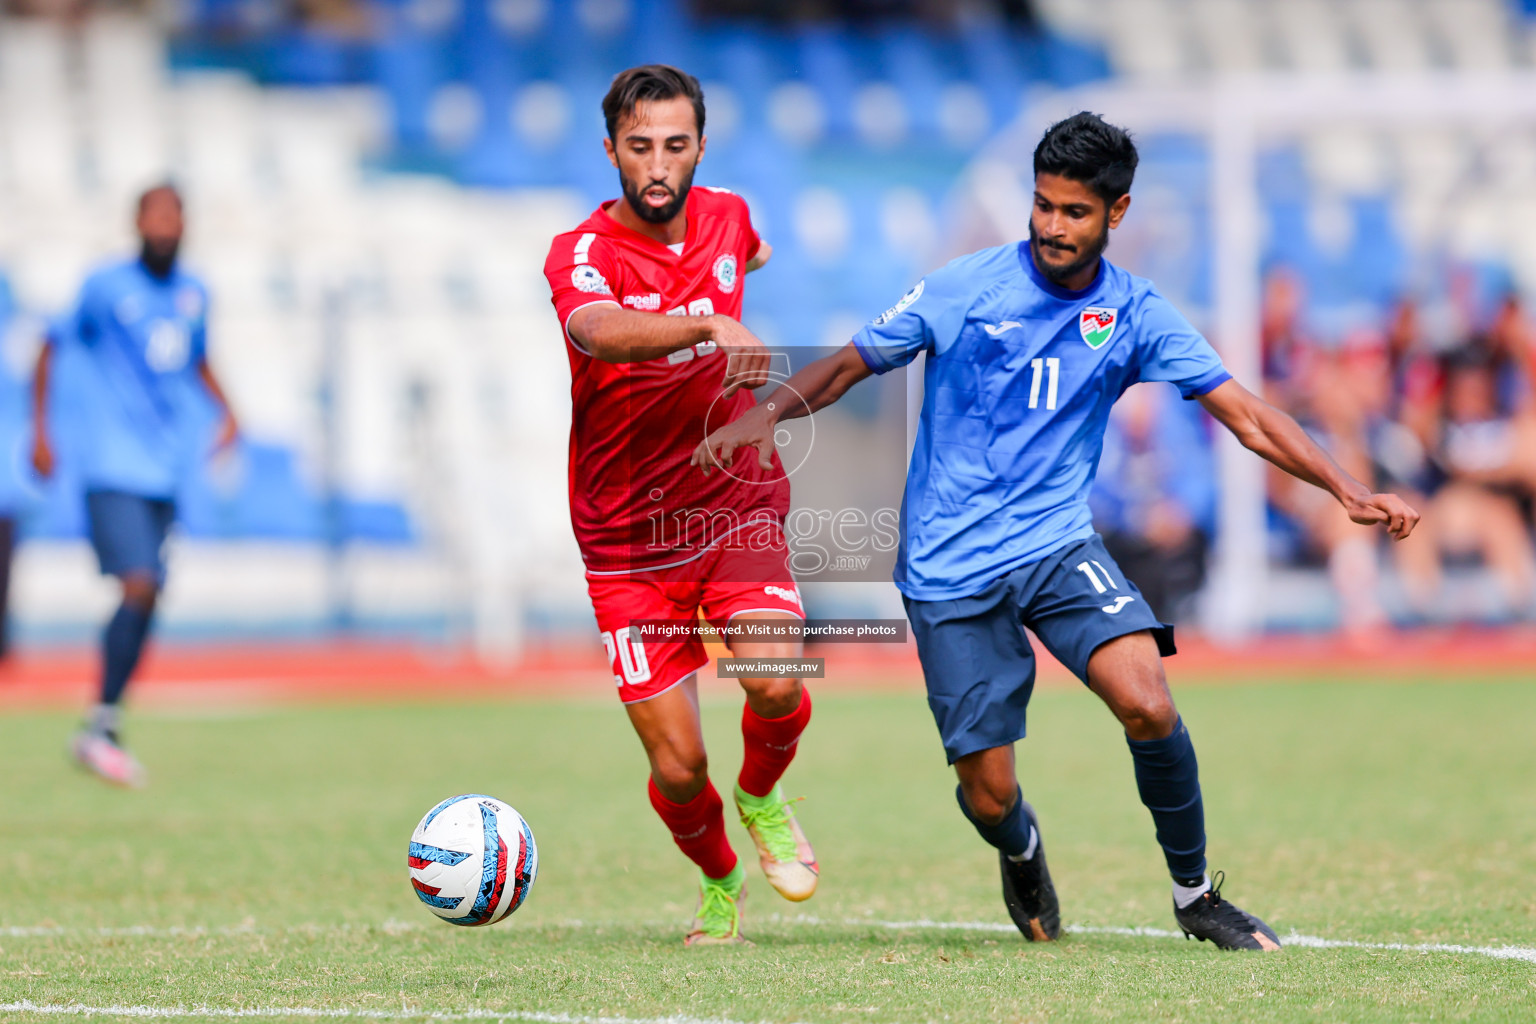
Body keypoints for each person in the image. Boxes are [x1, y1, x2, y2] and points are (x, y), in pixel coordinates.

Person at [694, 112, 1420, 951]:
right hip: (948, 571)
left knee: (1147, 700)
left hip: (1056, 548)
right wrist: (769, 414)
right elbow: (852, 361)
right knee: (990, 795)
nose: (1051, 226)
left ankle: (1195, 898)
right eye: (1042, 206)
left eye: (1074, 212)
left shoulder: (1137, 312)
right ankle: (1022, 848)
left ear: (1117, 214)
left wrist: (1346, 487)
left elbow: (1247, 415)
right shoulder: (964, 288)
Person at [541, 65, 816, 947]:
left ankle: (763, 796)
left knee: (776, 680)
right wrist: (707, 324)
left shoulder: (732, 216)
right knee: (678, 761)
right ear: (612, 150)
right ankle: (720, 880)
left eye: (676, 145)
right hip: (626, 538)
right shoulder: (581, 251)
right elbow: (594, 329)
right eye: (640, 147)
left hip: (731, 503)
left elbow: (751, 253)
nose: (658, 166)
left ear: (700, 146)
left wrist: (726, 305)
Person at [31, 184, 239, 787]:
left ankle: (105, 722)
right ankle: (99, 724)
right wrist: (41, 431)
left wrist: (230, 411)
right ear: (137, 223)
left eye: (174, 215)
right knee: (141, 584)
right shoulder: (105, 287)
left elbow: (197, 358)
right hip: (111, 465)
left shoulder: (195, 293)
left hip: (165, 467)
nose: (165, 226)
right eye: (155, 215)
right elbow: (49, 346)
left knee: (150, 593)